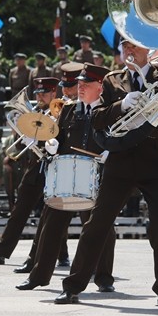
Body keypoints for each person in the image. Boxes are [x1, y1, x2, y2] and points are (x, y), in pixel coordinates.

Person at [55, 38, 158, 307]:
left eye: (135, 46)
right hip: (120, 161)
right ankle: (73, 285)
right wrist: (124, 106)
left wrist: (147, 123)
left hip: (155, 161)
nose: (129, 51)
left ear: (148, 49)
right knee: (97, 223)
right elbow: (98, 117)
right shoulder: (113, 81)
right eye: (125, 46)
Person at [17, 63, 116, 292]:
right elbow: (58, 137)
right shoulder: (69, 110)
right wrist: (51, 145)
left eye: (85, 84)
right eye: (78, 84)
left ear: (100, 86)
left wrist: (109, 151)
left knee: (101, 228)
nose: (79, 88)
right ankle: (38, 276)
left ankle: (103, 278)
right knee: (50, 224)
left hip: (96, 176)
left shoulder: (110, 110)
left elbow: (118, 138)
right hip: (65, 175)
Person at [0, 77, 61, 266]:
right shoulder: (35, 114)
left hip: (54, 169)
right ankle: (1, 252)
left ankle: (46, 256)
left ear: (53, 94)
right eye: (38, 94)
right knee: (19, 211)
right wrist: (26, 138)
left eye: (44, 93)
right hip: (34, 167)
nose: (40, 97)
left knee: (52, 214)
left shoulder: (60, 112)